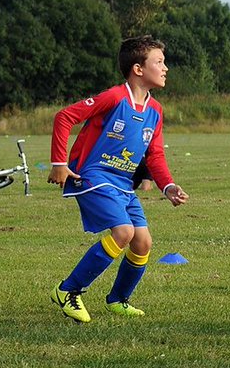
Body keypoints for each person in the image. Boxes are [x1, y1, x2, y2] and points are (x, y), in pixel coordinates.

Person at [48, 35, 189, 323]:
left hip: (123, 184)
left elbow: (155, 155)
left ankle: (118, 299)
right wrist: (59, 163)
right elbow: (64, 117)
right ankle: (68, 290)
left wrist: (168, 185)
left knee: (143, 242)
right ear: (138, 69)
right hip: (93, 175)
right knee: (123, 233)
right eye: (159, 62)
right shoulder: (114, 97)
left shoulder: (156, 111)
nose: (165, 68)